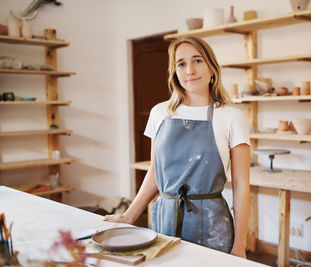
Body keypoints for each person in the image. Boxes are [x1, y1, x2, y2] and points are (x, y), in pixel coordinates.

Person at [105, 36, 250, 258]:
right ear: (175, 71)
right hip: (164, 223)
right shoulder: (159, 113)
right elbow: (155, 172)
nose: (189, 69)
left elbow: (241, 187)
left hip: (212, 228)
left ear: (212, 68)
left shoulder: (231, 117)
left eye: (197, 60)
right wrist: (129, 215)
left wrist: (240, 246)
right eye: (181, 63)